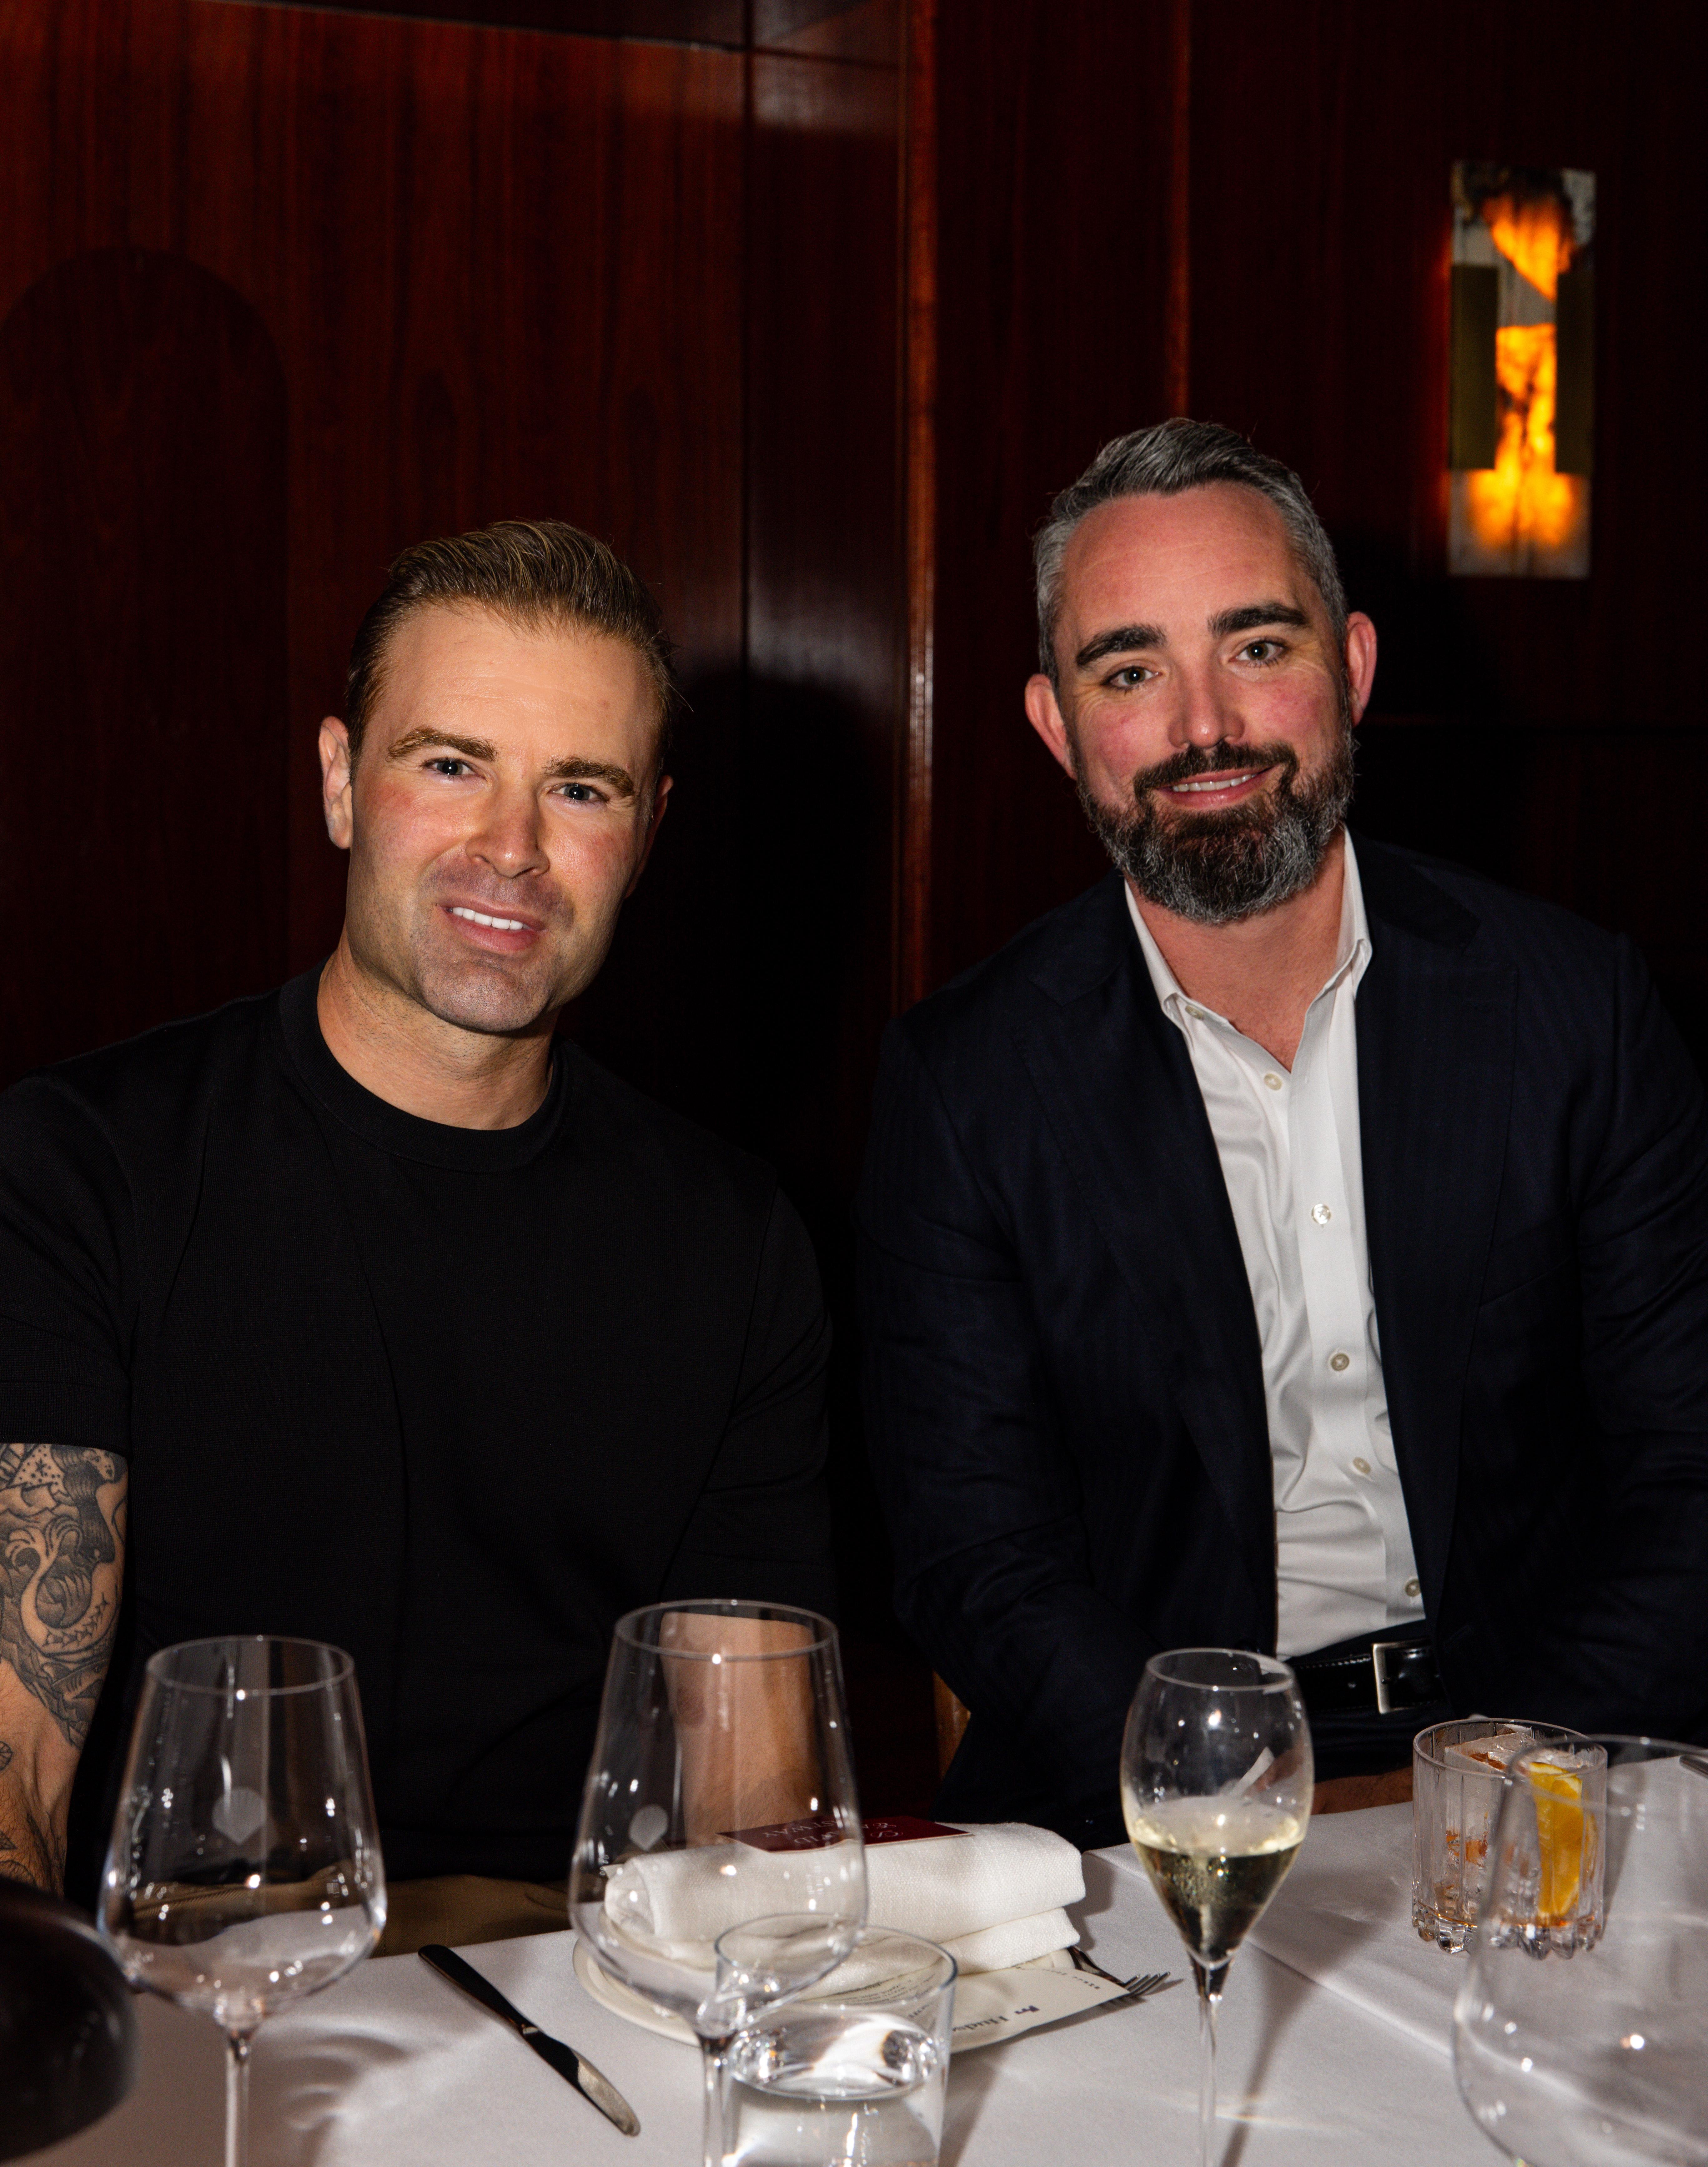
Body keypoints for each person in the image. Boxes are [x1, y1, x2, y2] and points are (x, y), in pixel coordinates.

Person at [857, 420, 1708, 1848]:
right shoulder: (965, 1084)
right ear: (1057, 726)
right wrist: (1218, 1801)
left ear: (1353, 670)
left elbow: (1686, 1471)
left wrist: (1524, 1776)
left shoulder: (1579, 1010)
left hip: (1551, 1745)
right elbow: (978, 1561)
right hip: (1153, 1792)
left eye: (1256, 647)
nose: (1205, 725)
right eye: (1131, 671)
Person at [0, 522, 834, 1937]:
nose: (511, 848)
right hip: (192, 2002)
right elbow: (12, 1780)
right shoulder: (79, 1169)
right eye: (451, 765)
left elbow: (756, 1834)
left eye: (579, 788)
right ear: (340, 781)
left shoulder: (736, 1241)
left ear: (646, 834)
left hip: (580, 1996)